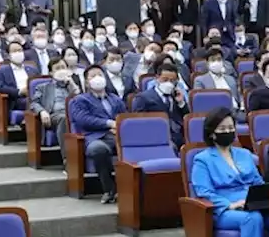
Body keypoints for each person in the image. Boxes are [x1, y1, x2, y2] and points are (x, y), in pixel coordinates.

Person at [190, 107, 267, 237]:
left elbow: (258, 182)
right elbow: (204, 191)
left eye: (230, 128)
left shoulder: (244, 154)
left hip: (251, 201)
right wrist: (229, 204)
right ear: (212, 133)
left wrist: (263, 197)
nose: (227, 132)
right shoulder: (203, 159)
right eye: (222, 129)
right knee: (252, 218)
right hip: (223, 210)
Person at [68, 64, 128, 203]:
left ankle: (132, 188)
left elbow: (124, 117)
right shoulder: (80, 100)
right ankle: (110, 189)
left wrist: (119, 126)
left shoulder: (115, 99)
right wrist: (109, 123)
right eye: (93, 76)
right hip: (94, 137)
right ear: (87, 82)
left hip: (117, 136)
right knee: (98, 149)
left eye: (100, 75)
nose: (97, 78)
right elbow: (83, 120)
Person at [130, 61, 189, 150]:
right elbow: (138, 123)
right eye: (165, 80)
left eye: (172, 80)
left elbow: (186, 117)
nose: (169, 83)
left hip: (179, 135)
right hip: (156, 136)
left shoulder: (177, 95)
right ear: (157, 78)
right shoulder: (143, 97)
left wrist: (181, 103)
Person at [31, 57, 84, 149]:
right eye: (57, 68)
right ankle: (67, 157)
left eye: (63, 67)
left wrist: (71, 83)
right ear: (51, 73)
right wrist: (42, 111)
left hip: (74, 114)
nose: (61, 70)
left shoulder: (72, 85)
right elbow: (34, 103)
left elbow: (80, 99)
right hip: (55, 115)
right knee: (64, 118)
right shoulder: (42, 87)